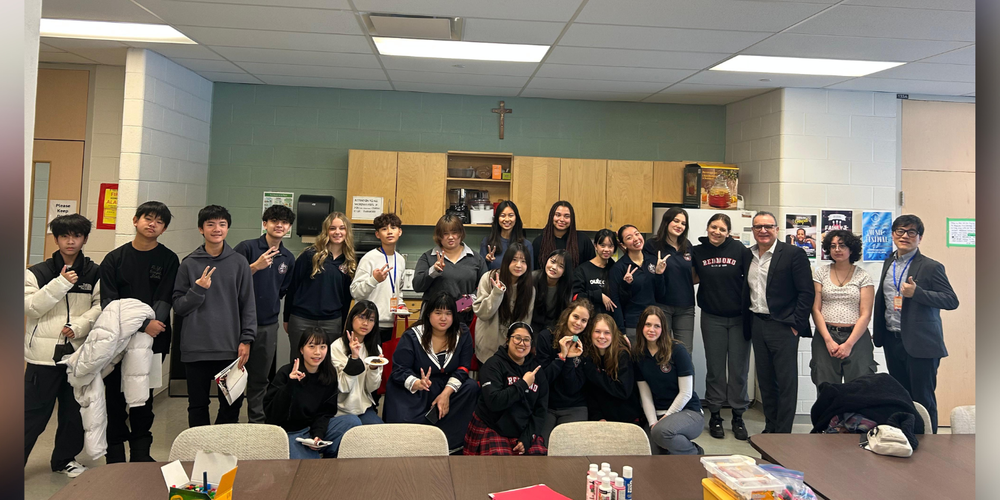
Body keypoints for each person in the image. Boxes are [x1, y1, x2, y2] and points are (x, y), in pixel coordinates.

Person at [99, 201, 179, 463]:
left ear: (164, 228)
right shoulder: (114, 259)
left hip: (154, 339)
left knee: (143, 398)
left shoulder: (168, 259)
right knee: (114, 397)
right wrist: (141, 324)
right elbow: (109, 302)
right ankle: (114, 455)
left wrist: (149, 327)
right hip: (117, 339)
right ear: (135, 220)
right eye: (148, 218)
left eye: (159, 221)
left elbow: (164, 297)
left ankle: (141, 455)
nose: (152, 223)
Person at [24, 214, 101, 477]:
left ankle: (64, 460)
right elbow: (31, 307)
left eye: (76, 236)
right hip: (42, 358)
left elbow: (101, 307)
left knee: (73, 415)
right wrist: (61, 283)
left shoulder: (95, 272)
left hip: (78, 356)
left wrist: (80, 327)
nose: (71, 241)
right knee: (31, 415)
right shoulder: (37, 272)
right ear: (56, 239)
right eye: (65, 236)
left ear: (84, 239)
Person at [872, 215, 958, 433]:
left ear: (920, 237)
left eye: (911, 232)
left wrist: (917, 293)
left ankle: (930, 444)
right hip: (893, 340)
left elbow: (951, 300)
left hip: (922, 344)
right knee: (902, 397)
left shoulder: (930, 267)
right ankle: (907, 437)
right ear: (893, 235)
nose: (905, 236)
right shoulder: (889, 262)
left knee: (923, 399)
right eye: (900, 231)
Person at [173, 205, 257, 427]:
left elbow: (248, 304)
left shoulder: (239, 263)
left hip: (229, 347)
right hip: (196, 348)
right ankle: (199, 454)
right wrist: (198, 290)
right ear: (201, 229)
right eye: (210, 224)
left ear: (228, 228)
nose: (216, 229)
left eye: (222, 224)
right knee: (197, 405)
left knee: (232, 404)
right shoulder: (189, 263)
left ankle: (221, 452)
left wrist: (246, 339)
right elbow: (179, 307)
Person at [742, 211, 814, 434]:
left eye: (768, 226)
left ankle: (783, 433)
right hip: (757, 323)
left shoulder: (793, 254)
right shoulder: (748, 255)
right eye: (758, 227)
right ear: (753, 230)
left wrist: (796, 324)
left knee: (785, 382)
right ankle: (770, 427)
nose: (763, 230)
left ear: (777, 229)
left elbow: (806, 292)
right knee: (765, 381)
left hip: (783, 326)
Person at [384, 293, 480, 451]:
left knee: (470, 387)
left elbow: (463, 368)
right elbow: (399, 370)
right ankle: (409, 443)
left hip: (446, 385)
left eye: (448, 313)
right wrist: (416, 383)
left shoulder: (461, 333)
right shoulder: (413, 336)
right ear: (428, 314)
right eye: (438, 313)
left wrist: (446, 394)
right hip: (419, 387)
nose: (443, 318)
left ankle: (448, 443)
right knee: (397, 389)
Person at [690, 213, 752, 440]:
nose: (717, 232)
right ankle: (715, 414)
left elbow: (753, 279)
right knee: (715, 368)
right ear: (707, 228)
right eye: (713, 227)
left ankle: (738, 415)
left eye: (722, 229)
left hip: (739, 318)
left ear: (729, 232)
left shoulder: (740, 251)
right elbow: (692, 277)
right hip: (712, 316)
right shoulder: (698, 251)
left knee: (739, 369)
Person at [233, 204, 296, 424]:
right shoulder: (247, 248)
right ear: (265, 224)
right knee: (233, 377)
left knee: (260, 379)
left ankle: (256, 425)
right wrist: (254, 267)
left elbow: (281, 291)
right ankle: (228, 423)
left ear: (288, 227)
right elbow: (230, 281)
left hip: (267, 325)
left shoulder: (288, 258)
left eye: (285, 222)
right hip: (237, 324)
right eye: (274, 220)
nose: (279, 225)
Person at [265, 327, 362, 458]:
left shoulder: (329, 375)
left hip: (312, 429)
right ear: (301, 349)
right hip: (290, 432)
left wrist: (318, 435)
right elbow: (272, 414)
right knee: (308, 467)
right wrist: (290, 385)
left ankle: (324, 451)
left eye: (322, 347)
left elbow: (325, 412)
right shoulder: (286, 372)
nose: (317, 353)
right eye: (311, 346)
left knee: (352, 421)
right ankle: (308, 453)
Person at [463, 322, 549, 455]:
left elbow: (540, 411)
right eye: (517, 338)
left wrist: (527, 438)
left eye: (526, 339)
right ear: (507, 340)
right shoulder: (492, 365)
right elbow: (494, 402)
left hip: (523, 429)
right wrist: (523, 384)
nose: (522, 343)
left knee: (539, 462)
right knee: (500, 465)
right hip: (493, 426)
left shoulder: (537, 371)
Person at [284, 212, 356, 363]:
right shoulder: (310, 255)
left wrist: (343, 324)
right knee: (298, 362)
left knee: (327, 364)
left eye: (342, 228)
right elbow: (293, 287)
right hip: (301, 319)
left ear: (347, 231)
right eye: (332, 228)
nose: (337, 232)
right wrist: (286, 318)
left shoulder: (349, 262)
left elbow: (346, 297)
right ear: (326, 231)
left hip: (331, 322)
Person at [634, 306, 705, 455]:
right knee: (649, 452)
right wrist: (653, 423)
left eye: (657, 326)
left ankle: (694, 453)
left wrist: (665, 419)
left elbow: (686, 392)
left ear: (663, 329)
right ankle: (677, 451)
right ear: (641, 326)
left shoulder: (677, 350)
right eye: (647, 325)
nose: (651, 329)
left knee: (662, 432)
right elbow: (645, 395)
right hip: (658, 415)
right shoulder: (639, 355)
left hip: (688, 411)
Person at [811, 230, 876, 387]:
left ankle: (854, 414)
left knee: (859, 388)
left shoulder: (863, 276)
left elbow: (866, 314)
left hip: (857, 338)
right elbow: (815, 309)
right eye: (833, 246)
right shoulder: (820, 274)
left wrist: (848, 344)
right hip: (825, 336)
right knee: (826, 387)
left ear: (851, 249)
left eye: (842, 245)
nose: (837, 249)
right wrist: (828, 340)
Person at [413, 214, 488, 325]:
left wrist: (469, 301)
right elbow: (417, 286)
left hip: (463, 320)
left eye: (454, 232)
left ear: (461, 233)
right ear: (439, 236)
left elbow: (485, 287)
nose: (451, 237)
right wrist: (433, 271)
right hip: (433, 320)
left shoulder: (475, 258)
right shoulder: (428, 257)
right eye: (445, 233)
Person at [535, 298, 591, 443]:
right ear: (568, 315)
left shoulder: (586, 344)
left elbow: (572, 387)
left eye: (584, 320)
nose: (578, 323)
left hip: (574, 406)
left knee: (566, 448)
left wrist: (571, 359)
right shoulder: (546, 337)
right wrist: (561, 357)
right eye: (576, 317)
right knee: (542, 448)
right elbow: (543, 379)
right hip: (547, 405)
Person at [472, 242, 535, 365]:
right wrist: (497, 292)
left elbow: (525, 323)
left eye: (523, 261)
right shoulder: (489, 278)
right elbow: (483, 313)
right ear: (506, 261)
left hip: (512, 352)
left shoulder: (529, 289)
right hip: (487, 350)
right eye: (514, 260)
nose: (518, 265)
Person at [645, 208, 696, 353]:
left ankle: (684, 377)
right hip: (661, 305)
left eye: (683, 223)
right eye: (676, 221)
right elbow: (647, 275)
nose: (680, 225)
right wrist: (658, 271)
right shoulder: (653, 245)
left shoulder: (688, 246)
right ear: (667, 221)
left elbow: (692, 274)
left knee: (685, 351)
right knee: (662, 349)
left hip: (686, 307)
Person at [351, 212, 405, 343]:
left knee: (384, 360)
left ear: (400, 232)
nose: (389, 232)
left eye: (393, 227)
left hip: (391, 323)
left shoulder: (400, 259)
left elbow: (398, 290)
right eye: (384, 229)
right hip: (368, 323)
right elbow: (355, 292)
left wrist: (401, 304)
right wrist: (374, 280)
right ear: (377, 234)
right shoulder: (369, 258)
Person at [581, 314, 644, 426]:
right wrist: (598, 417)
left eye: (607, 332)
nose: (601, 336)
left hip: (626, 418)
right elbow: (590, 392)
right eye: (597, 331)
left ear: (613, 335)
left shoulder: (622, 355)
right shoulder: (588, 357)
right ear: (591, 333)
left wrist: (594, 373)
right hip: (602, 419)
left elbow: (623, 391)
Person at [609, 224, 669, 342]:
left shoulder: (653, 260)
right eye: (629, 237)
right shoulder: (619, 268)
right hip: (632, 325)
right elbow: (616, 302)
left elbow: (661, 295)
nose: (636, 239)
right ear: (623, 244)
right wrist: (622, 332)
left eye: (637, 234)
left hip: (653, 323)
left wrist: (659, 274)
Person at [329, 301, 384, 424]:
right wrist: (354, 358)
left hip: (363, 407)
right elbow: (343, 387)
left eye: (371, 320)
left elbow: (371, 388)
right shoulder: (337, 347)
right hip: (339, 409)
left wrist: (374, 370)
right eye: (361, 317)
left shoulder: (375, 349)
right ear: (351, 318)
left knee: (379, 431)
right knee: (354, 425)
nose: (365, 323)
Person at [532, 201, 596, 270]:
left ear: (572, 219)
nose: (562, 219)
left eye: (566, 216)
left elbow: (591, 268)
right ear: (551, 217)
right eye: (558, 215)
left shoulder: (583, 240)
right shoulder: (539, 242)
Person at [573, 229, 618, 317]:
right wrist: (599, 296)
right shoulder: (582, 270)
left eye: (610, 246)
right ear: (595, 246)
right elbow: (575, 297)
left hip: (611, 322)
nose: (606, 249)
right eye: (602, 245)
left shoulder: (616, 269)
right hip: (588, 321)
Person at [480, 200, 534, 271]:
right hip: (493, 281)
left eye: (511, 215)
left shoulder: (526, 245)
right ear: (497, 218)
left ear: (516, 218)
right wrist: (487, 260)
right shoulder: (487, 242)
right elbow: (481, 272)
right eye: (503, 215)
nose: (507, 219)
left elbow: (530, 273)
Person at [531, 249, 574, 334]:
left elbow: (563, 315)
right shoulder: (533, 278)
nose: (554, 267)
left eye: (561, 266)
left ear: (565, 272)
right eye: (553, 261)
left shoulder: (566, 287)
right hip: (530, 323)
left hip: (552, 327)